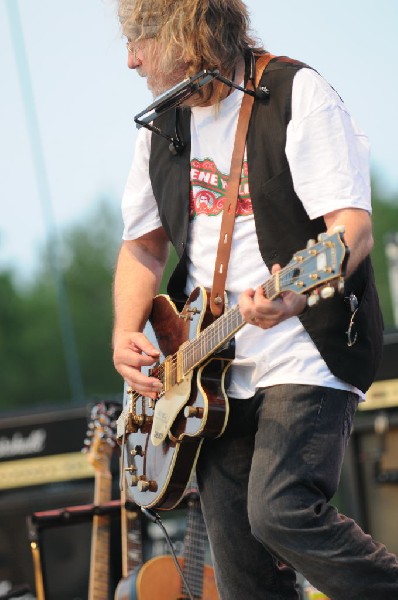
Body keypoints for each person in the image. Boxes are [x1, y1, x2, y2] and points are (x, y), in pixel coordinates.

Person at [112, 1, 398, 598]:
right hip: (206, 374)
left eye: (142, 39)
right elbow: (142, 245)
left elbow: (353, 231)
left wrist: (292, 297)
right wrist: (123, 333)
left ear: (188, 32)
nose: (131, 58)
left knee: (279, 510)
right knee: (242, 572)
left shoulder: (297, 93)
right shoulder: (163, 126)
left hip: (305, 348)